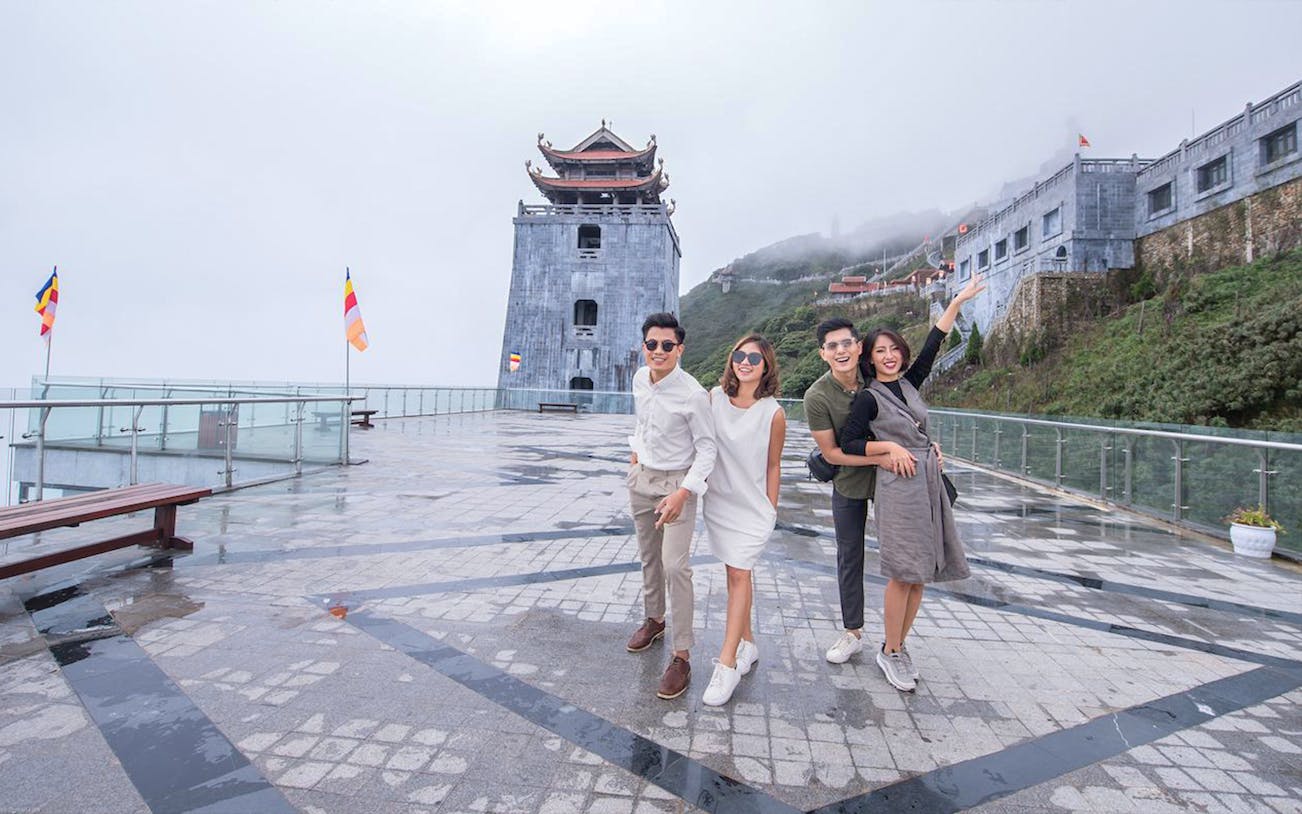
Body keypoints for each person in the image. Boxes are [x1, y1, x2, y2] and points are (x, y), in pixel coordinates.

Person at [840, 273, 986, 692]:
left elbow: (934, 344)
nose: (888, 357)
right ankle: (890, 651)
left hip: (927, 483)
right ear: (869, 358)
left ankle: (898, 646)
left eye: (893, 350)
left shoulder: (909, 382)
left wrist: (956, 302)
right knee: (903, 572)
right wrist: (888, 450)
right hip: (898, 488)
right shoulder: (869, 396)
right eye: (879, 352)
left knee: (921, 573)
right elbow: (850, 441)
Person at [803, 318, 917, 668]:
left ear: (858, 347)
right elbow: (833, 453)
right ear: (823, 353)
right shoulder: (817, 396)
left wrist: (930, 446)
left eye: (847, 344)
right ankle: (852, 631)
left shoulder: (876, 378)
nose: (841, 351)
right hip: (850, 482)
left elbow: (908, 418)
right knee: (849, 554)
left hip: (895, 482)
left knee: (903, 557)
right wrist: (883, 456)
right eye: (832, 346)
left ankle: (896, 642)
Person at [626, 312, 717, 700]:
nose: (658, 351)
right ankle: (655, 619)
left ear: (680, 349)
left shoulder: (692, 394)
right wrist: (635, 455)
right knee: (649, 557)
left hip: (677, 484)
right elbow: (641, 423)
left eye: (667, 345)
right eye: (652, 344)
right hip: (642, 479)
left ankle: (681, 655)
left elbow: (707, 448)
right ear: (644, 346)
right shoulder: (639, 379)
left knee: (675, 566)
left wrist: (684, 492)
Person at [700, 335, 786, 707]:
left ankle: (727, 661)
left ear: (766, 365)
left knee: (739, 573)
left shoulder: (773, 413)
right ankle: (748, 643)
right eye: (739, 355)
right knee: (735, 574)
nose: (745, 362)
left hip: (752, 509)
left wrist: (771, 510)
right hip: (720, 503)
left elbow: (773, 464)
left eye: (754, 357)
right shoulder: (713, 398)